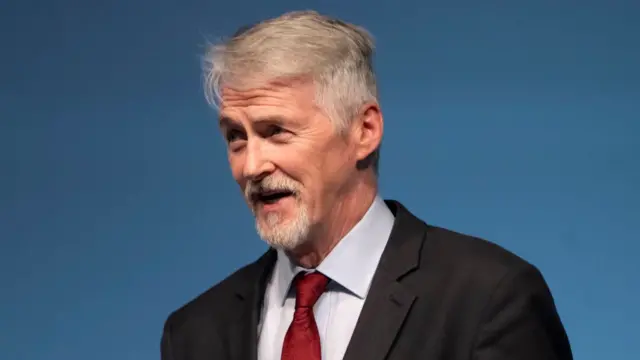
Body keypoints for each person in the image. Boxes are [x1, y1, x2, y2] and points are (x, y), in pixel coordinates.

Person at [160, 10, 573, 360]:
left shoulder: (489, 299)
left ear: (364, 130)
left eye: (276, 131)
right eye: (236, 136)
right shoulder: (194, 333)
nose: (251, 165)